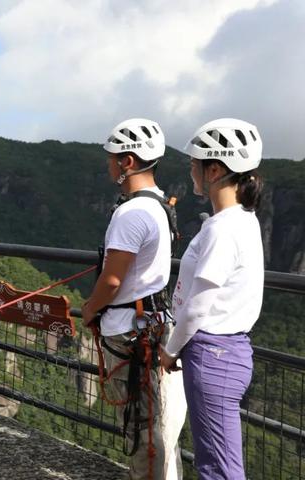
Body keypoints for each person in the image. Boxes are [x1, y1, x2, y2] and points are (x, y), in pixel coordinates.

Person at [82, 118, 186, 480]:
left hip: (128, 329)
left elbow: (112, 279)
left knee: (142, 425)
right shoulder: (160, 205)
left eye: (112, 158)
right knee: (157, 420)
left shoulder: (131, 213)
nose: (108, 164)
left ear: (127, 161)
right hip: (152, 320)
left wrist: (89, 309)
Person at [161, 118, 264, 479]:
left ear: (215, 169)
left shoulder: (223, 228)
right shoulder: (242, 219)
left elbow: (200, 302)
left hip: (213, 352)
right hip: (225, 351)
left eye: (194, 164)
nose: (191, 170)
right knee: (216, 458)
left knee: (217, 466)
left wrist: (171, 348)